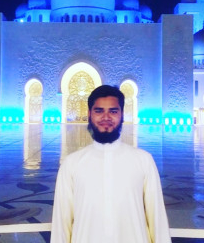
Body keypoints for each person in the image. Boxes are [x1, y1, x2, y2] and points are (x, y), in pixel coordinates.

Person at [51, 85, 172, 243]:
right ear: (89, 114)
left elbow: (157, 220)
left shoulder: (143, 160)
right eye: (99, 111)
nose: (106, 117)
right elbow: (61, 224)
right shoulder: (71, 164)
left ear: (122, 114)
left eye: (113, 111)